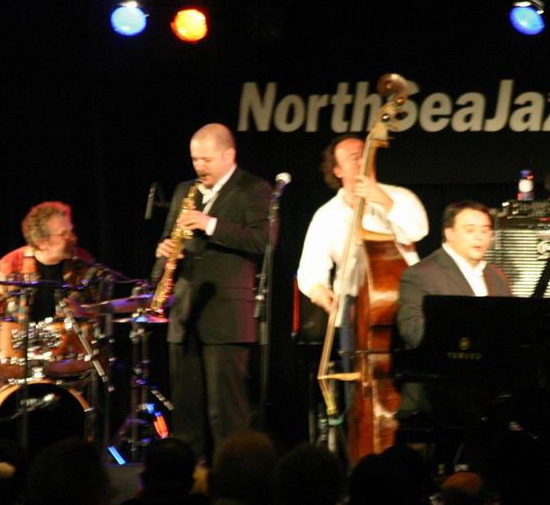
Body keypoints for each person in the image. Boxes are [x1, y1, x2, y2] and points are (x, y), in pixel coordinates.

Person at [152, 123, 271, 462]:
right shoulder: (184, 191)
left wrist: (210, 224)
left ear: (229, 155)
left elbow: (263, 240)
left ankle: (234, 477)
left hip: (226, 315)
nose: (199, 167)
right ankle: (189, 480)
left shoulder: (254, 188)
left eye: (207, 159)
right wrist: (162, 256)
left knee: (226, 413)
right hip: (185, 311)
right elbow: (170, 237)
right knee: (186, 412)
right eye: (195, 159)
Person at [395, 200, 512, 493]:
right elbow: (413, 331)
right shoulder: (421, 274)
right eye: (470, 229)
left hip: (484, 389)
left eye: (485, 230)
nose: (479, 237)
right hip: (437, 388)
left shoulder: (497, 278)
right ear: (448, 233)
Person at [297, 133, 429, 313]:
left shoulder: (400, 196)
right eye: (355, 158)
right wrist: (318, 290)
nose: (363, 161)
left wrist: (384, 201)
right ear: (338, 170)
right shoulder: (326, 215)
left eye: (366, 155)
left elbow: (418, 231)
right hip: (351, 304)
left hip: (405, 299)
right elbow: (311, 266)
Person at [0, 201, 95, 322]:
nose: (73, 238)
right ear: (41, 242)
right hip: (20, 333)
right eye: (64, 234)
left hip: (68, 333)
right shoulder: (11, 264)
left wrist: (82, 310)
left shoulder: (82, 261)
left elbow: (100, 308)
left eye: (71, 231)